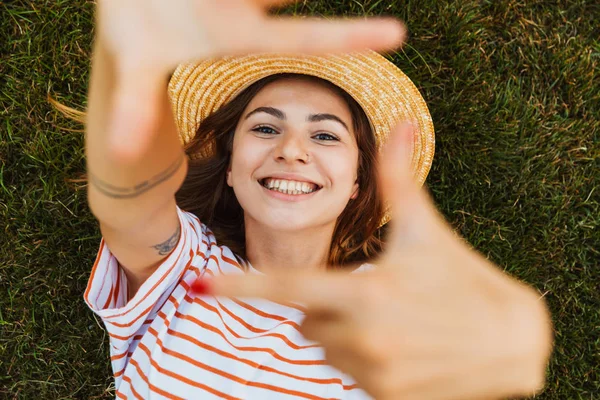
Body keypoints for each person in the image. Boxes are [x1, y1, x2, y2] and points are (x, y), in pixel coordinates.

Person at [59, 1, 553, 399]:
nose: (291, 150)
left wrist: (504, 349)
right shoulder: (186, 269)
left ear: (360, 181)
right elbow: (130, 197)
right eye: (266, 127)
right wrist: (128, 63)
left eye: (325, 137)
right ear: (230, 167)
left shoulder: (386, 306)